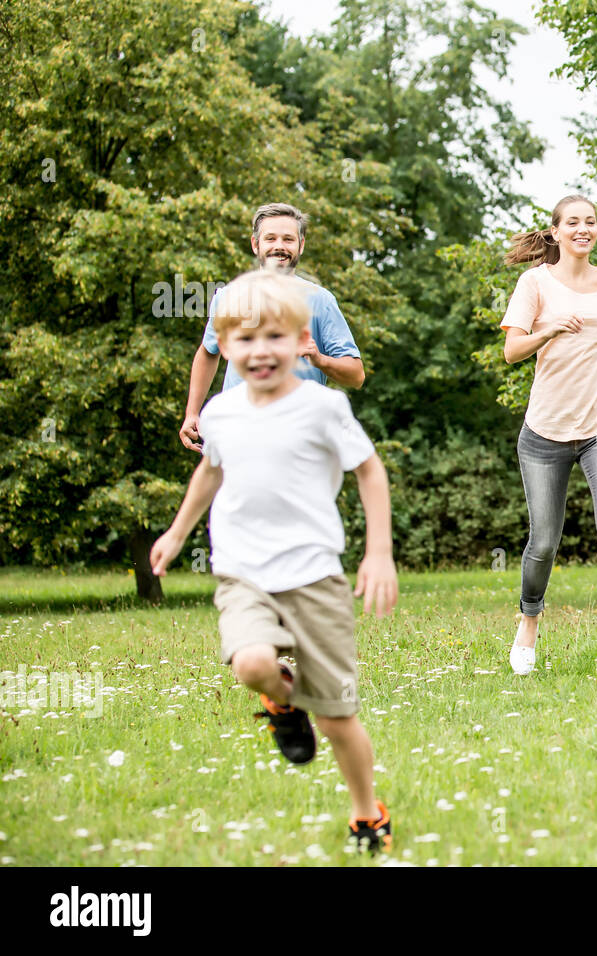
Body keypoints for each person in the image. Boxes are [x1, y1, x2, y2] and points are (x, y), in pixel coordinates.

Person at [151, 268, 399, 853]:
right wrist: (177, 531)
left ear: (298, 342)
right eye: (244, 340)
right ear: (224, 347)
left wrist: (380, 552)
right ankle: (282, 700)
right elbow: (210, 470)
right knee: (252, 663)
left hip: (314, 576)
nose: (260, 352)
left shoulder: (321, 407)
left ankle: (367, 812)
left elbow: (369, 469)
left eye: (275, 339)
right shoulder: (220, 414)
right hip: (244, 570)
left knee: (339, 719)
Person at [499, 194, 597, 675]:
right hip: (545, 430)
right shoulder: (535, 283)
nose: (583, 229)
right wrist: (548, 330)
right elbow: (511, 350)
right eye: (573, 222)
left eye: (590, 221)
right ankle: (529, 623)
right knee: (544, 541)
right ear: (556, 231)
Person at [178, 202, 365, 452]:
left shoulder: (321, 301)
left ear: (301, 244)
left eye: (288, 239)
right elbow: (208, 351)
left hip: (299, 442)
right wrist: (192, 412)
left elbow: (356, 375)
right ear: (256, 244)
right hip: (237, 437)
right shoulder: (229, 297)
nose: (279, 246)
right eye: (271, 238)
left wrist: (319, 360)